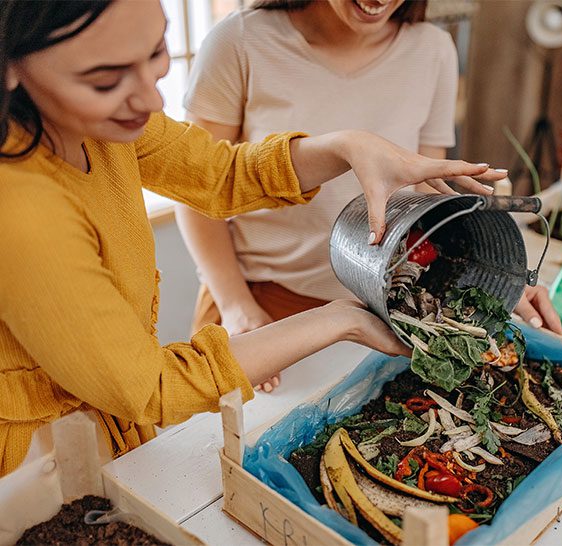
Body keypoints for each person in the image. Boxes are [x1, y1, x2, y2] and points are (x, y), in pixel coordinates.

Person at [0, 0, 505, 478]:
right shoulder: (22, 211)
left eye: (155, 53)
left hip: (106, 426)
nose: (152, 100)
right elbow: (151, 386)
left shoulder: (93, 126)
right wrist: (339, 320)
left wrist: (348, 145)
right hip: (31, 465)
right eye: (106, 80)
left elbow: (219, 173)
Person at [177, 0, 562, 392]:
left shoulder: (432, 50)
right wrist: (236, 306)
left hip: (381, 308)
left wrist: (492, 274)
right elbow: (195, 190)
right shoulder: (241, 40)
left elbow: (427, 201)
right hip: (264, 306)